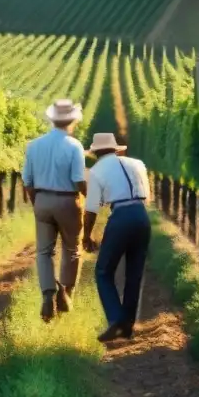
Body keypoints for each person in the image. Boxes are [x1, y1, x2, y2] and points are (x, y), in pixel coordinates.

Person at [22, 98, 88, 322]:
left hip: (42, 199)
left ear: (52, 119)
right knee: (72, 249)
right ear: (72, 121)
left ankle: (48, 294)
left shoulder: (34, 145)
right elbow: (79, 179)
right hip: (68, 201)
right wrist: (89, 196)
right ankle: (66, 293)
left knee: (43, 252)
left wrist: (36, 202)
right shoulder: (74, 146)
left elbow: (28, 181)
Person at [83, 132, 151, 342]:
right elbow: (147, 196)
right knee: (134, 274)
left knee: (103, 271)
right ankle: (127, 327)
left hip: (120, 216)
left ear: (96, 153)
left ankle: (116, 320)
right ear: (115, 149)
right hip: (141, 216)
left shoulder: (96, 171)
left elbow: (92, 208)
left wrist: (86, 235)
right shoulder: (137, 163)